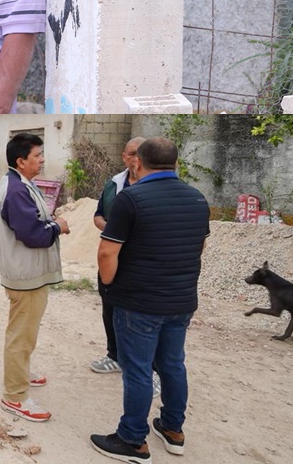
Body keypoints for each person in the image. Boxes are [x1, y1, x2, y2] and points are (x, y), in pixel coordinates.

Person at [91, 137, 210, 462]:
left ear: (138, 163)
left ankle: (132, 441)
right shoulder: (198, 199)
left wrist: (110, 283)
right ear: (175, 164)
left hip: (137, 303)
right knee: (173, 365)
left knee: (138, 370)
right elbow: (198, 247)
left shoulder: (132, 199)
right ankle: (173, 430)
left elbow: (107, 251)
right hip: (180, 301)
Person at [0, 132, 70, 423]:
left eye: (41, 155)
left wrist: (50, 221)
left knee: (25, 332)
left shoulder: (20, 183)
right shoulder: (16, 190)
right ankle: (14, 396)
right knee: (21, 335)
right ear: (20, 161)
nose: (42, 161)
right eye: (37, 156)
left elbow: (35, 221)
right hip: (24, 275)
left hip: (29, 274)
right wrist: (58, 227)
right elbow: (33, 234)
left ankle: (22, 373)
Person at [90, 137, 145, 374]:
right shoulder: (112, 184)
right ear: (124, 156)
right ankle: (114, 355)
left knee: (140, 313)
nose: (136, 158)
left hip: (140, 261)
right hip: (112, 256)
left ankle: (145, 364)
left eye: (140, 154)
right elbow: (98, 215)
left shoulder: (151, 186)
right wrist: (110, 229)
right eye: (131, 153)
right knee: (109, 305)